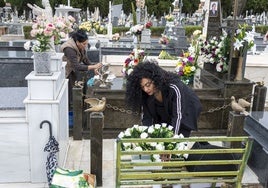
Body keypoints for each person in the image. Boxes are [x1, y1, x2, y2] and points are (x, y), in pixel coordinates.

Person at [125, 60, 202, 137]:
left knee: (179, 139)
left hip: (186, 109)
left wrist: (172, 139)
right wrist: (146, 136)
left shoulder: (174, 87)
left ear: (155, 79)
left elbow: (178, 116)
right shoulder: (145, 94)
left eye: (148, 85)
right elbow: (147, 117)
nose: (146, 89)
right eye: (142, 87)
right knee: (159, 134)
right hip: (165, 111)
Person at [61, 29, 102, 110]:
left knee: (73, 94)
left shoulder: (81, 45)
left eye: (86, 44)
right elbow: (77, 66)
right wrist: (93, 67)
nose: (85, 46)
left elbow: (85, 59)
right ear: (77, 42)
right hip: (65, 73)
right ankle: (69, 114)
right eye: (84, 44)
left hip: (72, 72)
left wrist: (94, 67)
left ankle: (73, 110)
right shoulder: (68, 48)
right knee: (68, 95)